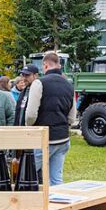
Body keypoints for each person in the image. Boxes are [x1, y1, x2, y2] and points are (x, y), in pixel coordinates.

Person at [24, 51, 76, 185]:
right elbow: (72, 117)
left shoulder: (38, 83)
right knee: (56, 179)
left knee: (27, 175)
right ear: (59, 65)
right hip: (62, 138)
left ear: (45, 66)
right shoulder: (69, 85)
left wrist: (29, 127)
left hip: (43, 138)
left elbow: (30, 114)